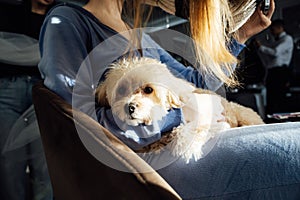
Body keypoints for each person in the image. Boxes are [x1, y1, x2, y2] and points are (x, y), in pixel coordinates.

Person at [38, 0, 300, 199]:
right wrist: (183, 113)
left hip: (179, 147)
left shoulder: (139, 36)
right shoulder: (68, 21)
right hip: (143, 165)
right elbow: (81, 125)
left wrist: (240, 36)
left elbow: (193, 83)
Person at [0, 0, 57, 199]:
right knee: (8, 165)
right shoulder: (8, 9)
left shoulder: (61, 17)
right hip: (7, 91)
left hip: (42, 93)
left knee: (45, 164)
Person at [255, 19, 294, 114]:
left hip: (280, 72)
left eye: (273, 28)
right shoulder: (274, 41)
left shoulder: (287, 39)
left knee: (280, 98)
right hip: (272, 72)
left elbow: (275, 52)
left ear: (280, 28)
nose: (271, 30)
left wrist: (261, 47)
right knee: (271, 99)